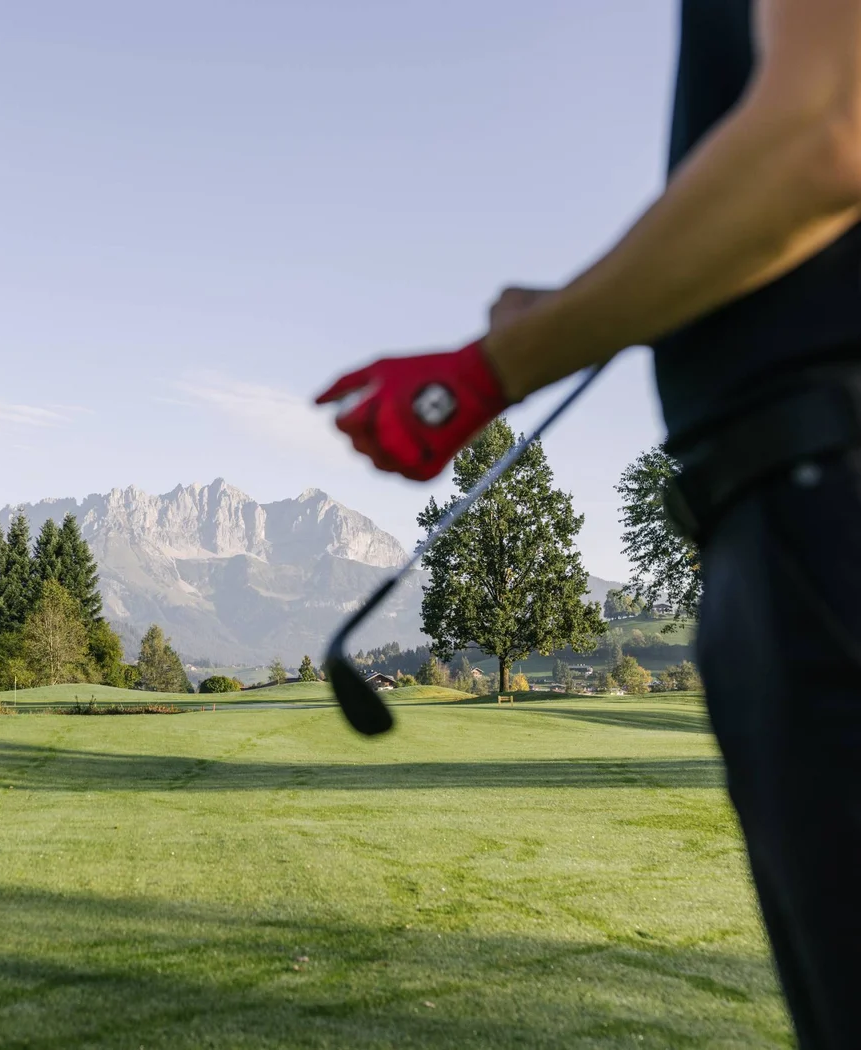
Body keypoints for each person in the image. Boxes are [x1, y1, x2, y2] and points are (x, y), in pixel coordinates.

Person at [316, 2, 861, 1046]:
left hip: (825, 501)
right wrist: (580, 306)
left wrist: (489, 372)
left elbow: (825, 132)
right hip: (779, 509)